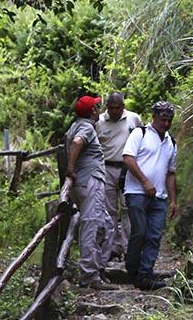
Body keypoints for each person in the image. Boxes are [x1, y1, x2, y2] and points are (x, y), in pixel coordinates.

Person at [122, 101, 178, 291]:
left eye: (169, 120)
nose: (166, 124)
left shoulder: (171, 142)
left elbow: (171, 173)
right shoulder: (140, 133)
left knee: (154, 235)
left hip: (160, 197)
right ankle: (132, 269)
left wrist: (173, 200)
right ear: (154, 117)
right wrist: (145, 182)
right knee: (139, 231)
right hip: (136, 192)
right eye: (163, 119)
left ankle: (145, 274)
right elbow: (128, 158)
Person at [65, 95, 117, 290]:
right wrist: (70, 168)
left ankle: (98, 268)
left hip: (85, 182)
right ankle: (89, 275)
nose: (99, 109)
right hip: (89, 182)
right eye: (96, 107)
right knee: (91, 225)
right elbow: (77, 142)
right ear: (93, 111)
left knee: (106, 226)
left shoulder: (75, 125)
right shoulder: (86, 128)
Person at [95, 92, 142, 262]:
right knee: (110, 210)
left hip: (127, 168)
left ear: (123, 106)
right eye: (111, 108)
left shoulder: (133, 119)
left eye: (118, 108)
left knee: (128, 207)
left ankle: (129, 246)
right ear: (107, 107)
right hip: (106, 167)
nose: (115, 111)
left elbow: (141, 139)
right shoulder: (99, 122)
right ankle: (113, 247)